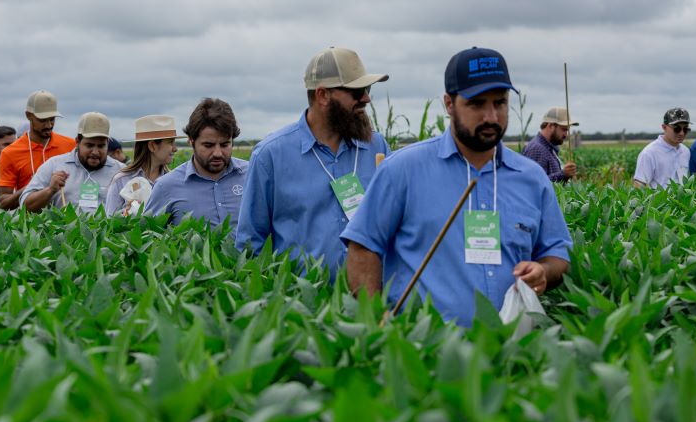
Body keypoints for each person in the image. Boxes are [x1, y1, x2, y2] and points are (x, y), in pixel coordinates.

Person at [342, 46, 572, 324]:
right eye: (476, 104)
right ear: (449, 104)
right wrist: (373, 320)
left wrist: (543, 271)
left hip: (510, 350)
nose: (491, 116)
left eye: (499, 102)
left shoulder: (531, 178)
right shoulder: (402, 170)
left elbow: (557, 252)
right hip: (423, 351)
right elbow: (363, 248)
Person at [236, 46, 390, 277]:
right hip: (300, 305)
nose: (366, 98)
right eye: (357, 91)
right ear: (323, 95)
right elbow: (251, 244)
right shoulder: (270, 156)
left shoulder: (377, 147)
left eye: (367, 89)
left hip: (367, 303)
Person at [144, 98, 249, 230]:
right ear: (191, 141)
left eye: (224, 144)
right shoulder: (166, 187)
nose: (217, 153)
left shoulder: (252, 175)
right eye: (208, 145)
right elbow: (149, 236)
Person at [20, 112, 124, 213]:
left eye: (101, 146)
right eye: (89, 145)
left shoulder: (121, 172)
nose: (95, 152)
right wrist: (50, 190)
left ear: (107, 144)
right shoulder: (54, 165)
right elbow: (25, 206)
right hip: (64, 230)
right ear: (77, 142)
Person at [0, 91, 76, 210]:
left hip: (65, 221)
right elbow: (3, 203)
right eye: (43, 120)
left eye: (52, 119)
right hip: (30, 224)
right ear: (28, 115)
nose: (49, 125)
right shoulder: (10, 153)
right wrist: (34, 186)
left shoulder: (71, 145)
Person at [104, 115, 182, 216]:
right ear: (152, 146)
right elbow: (109, 221)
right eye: (171, 142)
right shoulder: (122, 180)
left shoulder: (173, 181)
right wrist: (125, 214)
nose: (175, 149)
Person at [633, 108, 691, 189]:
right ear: (664, 127)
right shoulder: (649, 153)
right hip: (660, 201)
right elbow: (639, 185)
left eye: (685, 129)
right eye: (677, 129)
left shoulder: (686, 151)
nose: (681, 133)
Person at [521, 107, 578, 182]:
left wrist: (565, 176)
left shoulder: (549, 148)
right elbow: (534, 183)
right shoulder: (537, 149)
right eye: (564, 129)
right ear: (551, 126)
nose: (566, 134)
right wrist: (563, 174)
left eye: (567, 130)